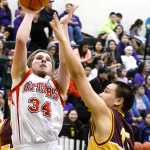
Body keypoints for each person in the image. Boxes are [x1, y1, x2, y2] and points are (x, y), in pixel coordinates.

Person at [50, 12, 135, 150]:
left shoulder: (105, 113)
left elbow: (78, 75)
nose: (100, 93)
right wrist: (64, 28)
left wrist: (63, 39)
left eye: (106, 91)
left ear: (118, 101)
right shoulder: (128, 130)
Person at [10, 7, 71, 150]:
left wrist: (63, 28)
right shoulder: (22, 76)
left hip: (53, 145)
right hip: (26, 146)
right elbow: (20, 41)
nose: (43, 60)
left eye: (48, 59)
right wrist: (30, 14)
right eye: (39, 58)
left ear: (52, 68)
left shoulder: (58, 86)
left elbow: (66, 61)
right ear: (30, 64)